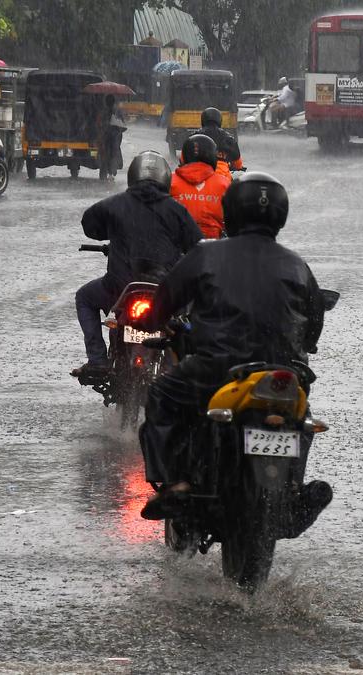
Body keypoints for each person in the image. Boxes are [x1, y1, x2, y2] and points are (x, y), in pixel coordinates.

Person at [137, 172, 329, 520]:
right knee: (301, 418)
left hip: (216, 367)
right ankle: (294, 490)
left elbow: (164, 301)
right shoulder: (297, 264)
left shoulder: (206, 254)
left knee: (162, 395)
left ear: (231, 210)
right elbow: (314, 324)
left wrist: (151, 321)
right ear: (280, 215)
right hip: (285, 371)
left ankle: (175, 483)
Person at [71, 152, 202, 377]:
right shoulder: (176, 210)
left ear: (132, 176)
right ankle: (177, 369)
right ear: (165, 179)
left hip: (118, 288)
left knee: (84, 297)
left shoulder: (113, 204)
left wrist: (109, 231)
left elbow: (90, 224)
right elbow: (197, 246)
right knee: (189, 312)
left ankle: (97, 360)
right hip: (164, 292)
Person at [170, 134, 229, 239]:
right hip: (213, 245)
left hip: (177, 243)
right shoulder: (224, 183)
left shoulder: (169, 181)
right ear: (213, 157)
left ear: (183, 157)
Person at [194, 107, 243, 178]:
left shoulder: (194, 137)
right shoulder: (228, 138)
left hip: (199, 176)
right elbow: (238, 163)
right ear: (220, 120)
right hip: (223, 177)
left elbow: (183, 159)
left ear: (202, 120)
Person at [96, 95, 125, 180]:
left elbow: (98, 124)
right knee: (114, 154)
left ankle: (103, 173)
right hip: (114, 137)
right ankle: (111, 172)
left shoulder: (103, 111)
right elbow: (122, 125)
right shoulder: (117, 112)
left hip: (105, 137)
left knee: (104, 155)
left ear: (106, 102)